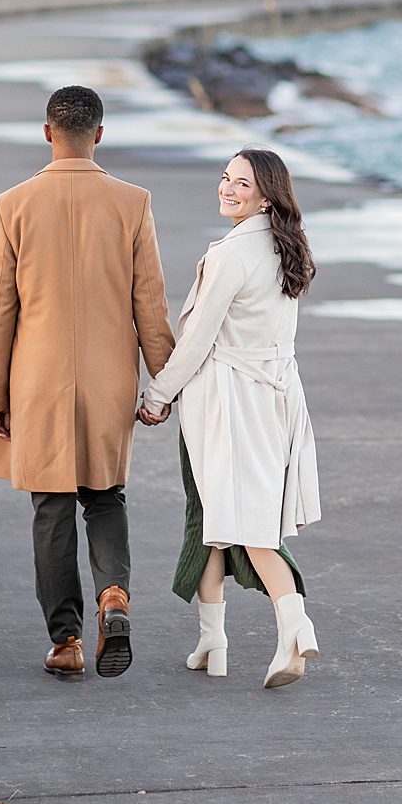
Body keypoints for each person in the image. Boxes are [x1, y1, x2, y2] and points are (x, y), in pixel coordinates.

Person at [0, 85, 176, 680]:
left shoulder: (13, 205)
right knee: (105, 497)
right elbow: (150, 307)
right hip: (109, 382)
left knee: (51, 507)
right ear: (100, 135)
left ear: (48, 132)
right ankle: (114, 595)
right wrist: (166, 385)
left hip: (38, 384)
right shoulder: (132, 203)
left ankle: (66, 642)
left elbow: (0, 310)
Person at [138, 147, 322, 689]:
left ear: (267, 194)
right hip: (274, 398)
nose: (227, 188)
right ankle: (211, 640)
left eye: (241, 183)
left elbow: (197, 339)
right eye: (225, 178)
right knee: (216, 518)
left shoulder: (231, 254)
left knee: (245, 523)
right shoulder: (286, 248)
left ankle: (295, 622)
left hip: (226, 404)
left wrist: (157, 394)